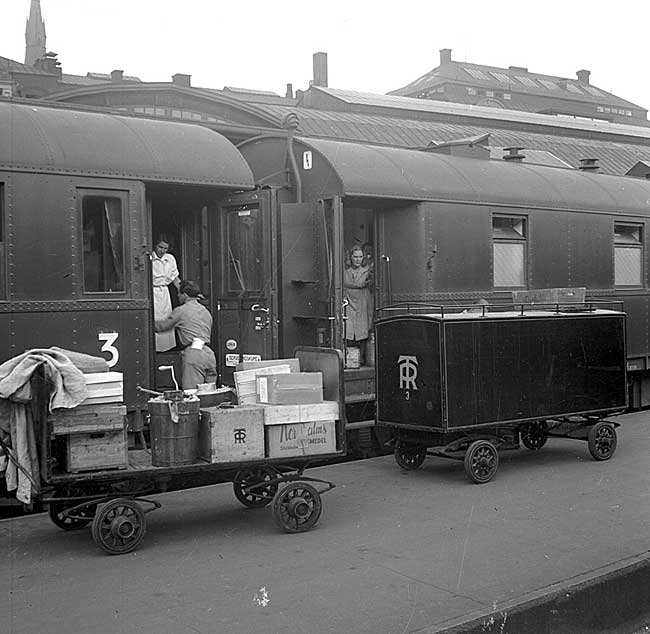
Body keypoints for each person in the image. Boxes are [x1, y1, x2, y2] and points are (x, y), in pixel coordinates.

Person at [155, 280, 217, 390]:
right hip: (209, 354)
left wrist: (146, 320)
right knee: (208, 394)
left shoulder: (181, 311)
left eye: (179, 293)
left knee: (191, 394)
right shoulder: (205, 312)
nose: (178, 296)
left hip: (194, 354)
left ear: (185, 294)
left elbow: (162, 327)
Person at [344, 245, 373, 365]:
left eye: (360, 257)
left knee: (362, 328)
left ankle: (361, 358)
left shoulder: (367, 270)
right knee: (348, 329)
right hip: (349, 298)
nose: (358, 259)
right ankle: (349, 359)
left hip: (362, 300)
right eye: (355, 256)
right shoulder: (345, 270)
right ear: (351, 257)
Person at [151, 237, 181, 352]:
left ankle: (166, 350)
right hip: (153, 293)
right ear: (155, 246)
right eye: (160, 247)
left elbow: (175, 278)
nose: (163, 250)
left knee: (166, 319)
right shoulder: (150, 258)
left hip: (165, 293)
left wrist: (183, 291)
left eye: (165, 248)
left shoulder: (170, 258)